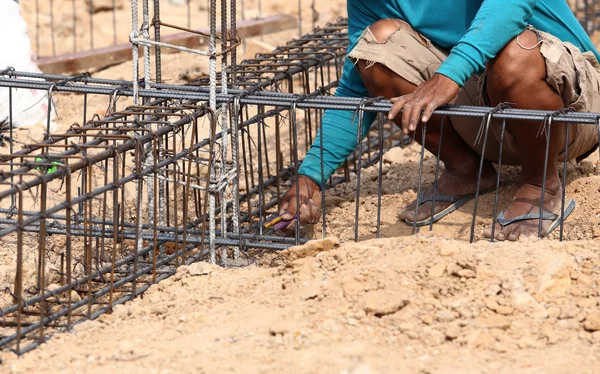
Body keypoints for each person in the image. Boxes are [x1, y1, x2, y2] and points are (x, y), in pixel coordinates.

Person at [278, 0, 600, 241]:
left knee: (513, 53)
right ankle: (467, 169)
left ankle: (540, 183)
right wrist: (311, 177)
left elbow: (510, 7)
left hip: (571, 106)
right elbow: (354, 89)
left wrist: (449, 76)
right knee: (375, 47)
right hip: (490, 105)